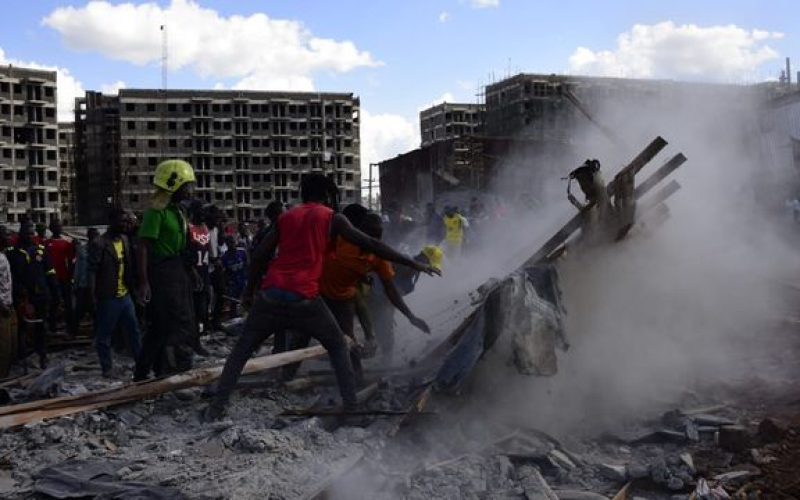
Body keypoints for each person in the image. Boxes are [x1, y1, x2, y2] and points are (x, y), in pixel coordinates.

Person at [204, 174, 440, 420]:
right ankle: (351, 409)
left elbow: (261, 255)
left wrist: (249, 292)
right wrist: (414, 263)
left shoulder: (286, 217)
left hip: (271, 293)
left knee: (241, 350)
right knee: (339, 345)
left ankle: (217, 407)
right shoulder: (332, 218)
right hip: (305, 296)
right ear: (327, 195)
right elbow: (372, 244)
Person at [313, 209, 432, 375]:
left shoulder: (379, 259)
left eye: (378, 233)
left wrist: (411, 317)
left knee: (347, 339)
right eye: (371, 233)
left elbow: (391, 291)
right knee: (319, 335)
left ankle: (354, 377)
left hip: (344, 297)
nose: (376, 237)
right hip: (318, 294)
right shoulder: (341, 239)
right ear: (359, 233)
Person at [133, 159, 199, 381]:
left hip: (176, 268)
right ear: (174, 185)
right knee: (162, 325)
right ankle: (144, 373)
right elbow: (143, 246)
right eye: (186, 186)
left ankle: (168, 370)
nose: (189, 190)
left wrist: (191, 272)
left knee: (181, 320)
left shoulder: (177, 212)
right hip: (161, 272)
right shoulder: (155, 212)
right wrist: (144, 282)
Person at [88, 208, 142, 378]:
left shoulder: (125, 240)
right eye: (122, 221)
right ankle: (107, 368)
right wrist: (93, 297)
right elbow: (92, 272)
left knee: (133, 331)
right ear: (111, 221)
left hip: (125, 295)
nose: (126, 225)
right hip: (108, 297)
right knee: (104, 335)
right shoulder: (99, 243)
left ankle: (141, 363)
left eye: (127, 221)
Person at [7, 222, 56, 369]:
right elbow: (10, 276)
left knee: (41, 326)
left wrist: (55, 292)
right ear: (21, 234)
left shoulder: (41, 250)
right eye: (26, 233)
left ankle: (42, 355)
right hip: (21, 297)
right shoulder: (12, 253)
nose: (30, 236)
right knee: (21, 327)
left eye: (31, 233)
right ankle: (21, 357)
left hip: (40, 295)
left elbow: (50, 272)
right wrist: (18, 290)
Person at [187, 201, 212, 354]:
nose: (203, 214)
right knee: (195, 310)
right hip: (193, 274)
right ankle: (194, 342)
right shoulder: (188, 229)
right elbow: (185, 254)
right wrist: (193, 272)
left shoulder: (205, 228)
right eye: (200, 211)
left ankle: (195, 340)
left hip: (204, 272)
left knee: (203, 309)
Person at [45, 219, 76, 334]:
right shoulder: (46, 244)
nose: (58, 228)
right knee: (54, 302)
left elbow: (72, 261)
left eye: (59, 226)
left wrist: (71, 277)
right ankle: (52, 327)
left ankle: (70, 328)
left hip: (65, 278)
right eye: (55, 226)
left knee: (68, 303)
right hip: (52, 278)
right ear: (51, 228)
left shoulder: (67, 243)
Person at [70, 228, 99, 338]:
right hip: (84, 285)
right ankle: (73, 332)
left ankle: (98, 333)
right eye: (92, 236)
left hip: (95, 286)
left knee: (95, 311)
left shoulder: (101, 250)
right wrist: (76, 284)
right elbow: (78, 269)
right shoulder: (83, 250)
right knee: (79, 310)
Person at [0, 226, 18, 378]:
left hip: (9, 304)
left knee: (12, 342)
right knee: (4, 344)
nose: (10, 238)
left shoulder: (4, 255)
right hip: (2, 307)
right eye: (6, 236)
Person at [220, 235, 248, 314]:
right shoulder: (225, 257)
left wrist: (247, 278)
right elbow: (224, 272)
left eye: (232, 242)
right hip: (234, 283)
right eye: (229, 243)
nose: (232, 244)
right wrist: (227, 282)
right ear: (227, 244)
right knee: (233, 303)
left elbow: (247, 264)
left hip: (243, 281)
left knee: (245, 301)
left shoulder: (242, 252)